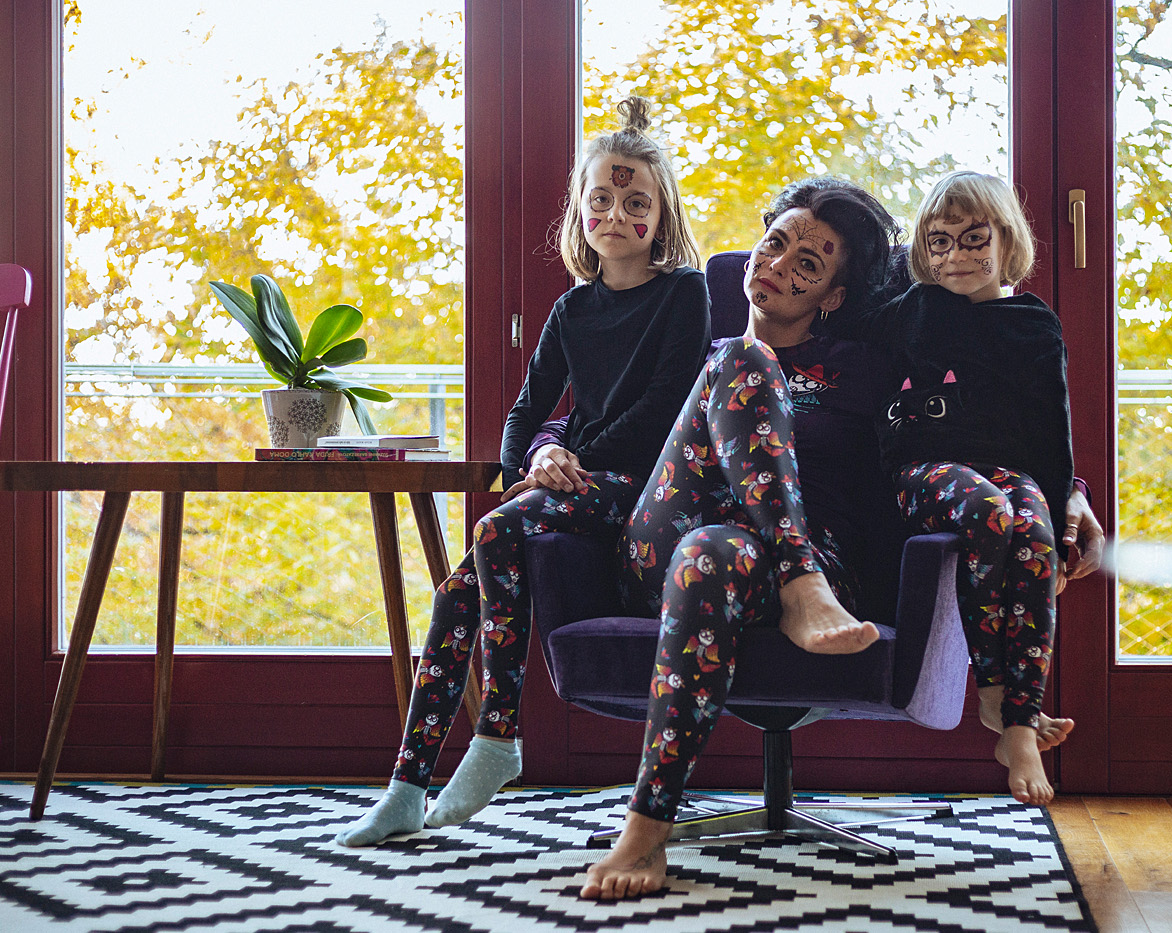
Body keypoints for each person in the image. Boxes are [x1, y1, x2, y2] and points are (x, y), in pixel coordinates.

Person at [335, 96, 711, 847]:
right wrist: (536, 459)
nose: (615, 214)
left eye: (635, 203)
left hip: (648, 490)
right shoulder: (572, 311)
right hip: (575, 485)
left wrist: (569, 463)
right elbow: (524, 412)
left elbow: (664, 411)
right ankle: (407, 784)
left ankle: (499, 734)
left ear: (662, 216)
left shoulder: (685, 293)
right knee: (457, 590)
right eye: (599, 199)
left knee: (495, 530)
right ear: (579, 210)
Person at [581, 177, 902, 899]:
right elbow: (586, 410)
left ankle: (646, 828)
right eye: (775, 242)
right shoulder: (698, 345)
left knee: (711, 552)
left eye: (807, 264)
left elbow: (970, 427)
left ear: (834, 297)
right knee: (743, 358)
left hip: (756, 560)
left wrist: (1070, 489)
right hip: (662, 547)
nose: (778, 265)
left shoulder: (863, 371)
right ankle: (800, 583)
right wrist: (543, 451)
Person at [864, 170, 1075, 806]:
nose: (956, 255)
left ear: (1007, 239)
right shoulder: (910, 311)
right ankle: (990, 690)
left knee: (1033, 536)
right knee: (987, 510)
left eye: (973, 238)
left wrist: (1063, 529)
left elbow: (1052, 433)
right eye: (939, 241)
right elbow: (853, 332)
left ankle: (1020, 723)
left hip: (1009, 469)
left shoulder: (1033, 324)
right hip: (922, 470)